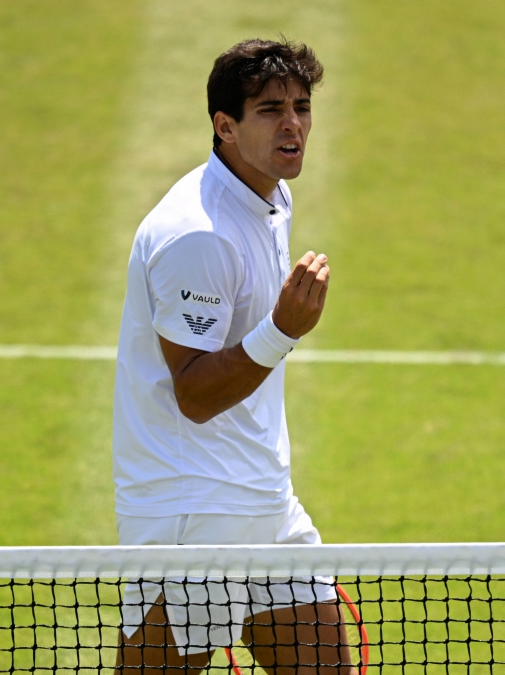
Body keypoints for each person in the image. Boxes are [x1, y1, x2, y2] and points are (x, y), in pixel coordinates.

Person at [112, 39, 351, 674]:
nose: (294, 123)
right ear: (225, 126)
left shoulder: (270, 196)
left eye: (301, 107)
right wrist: (283, 330)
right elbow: (193, 394)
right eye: (271, 110)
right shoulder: (197, 236)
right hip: (196, 509)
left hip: (264, 496)